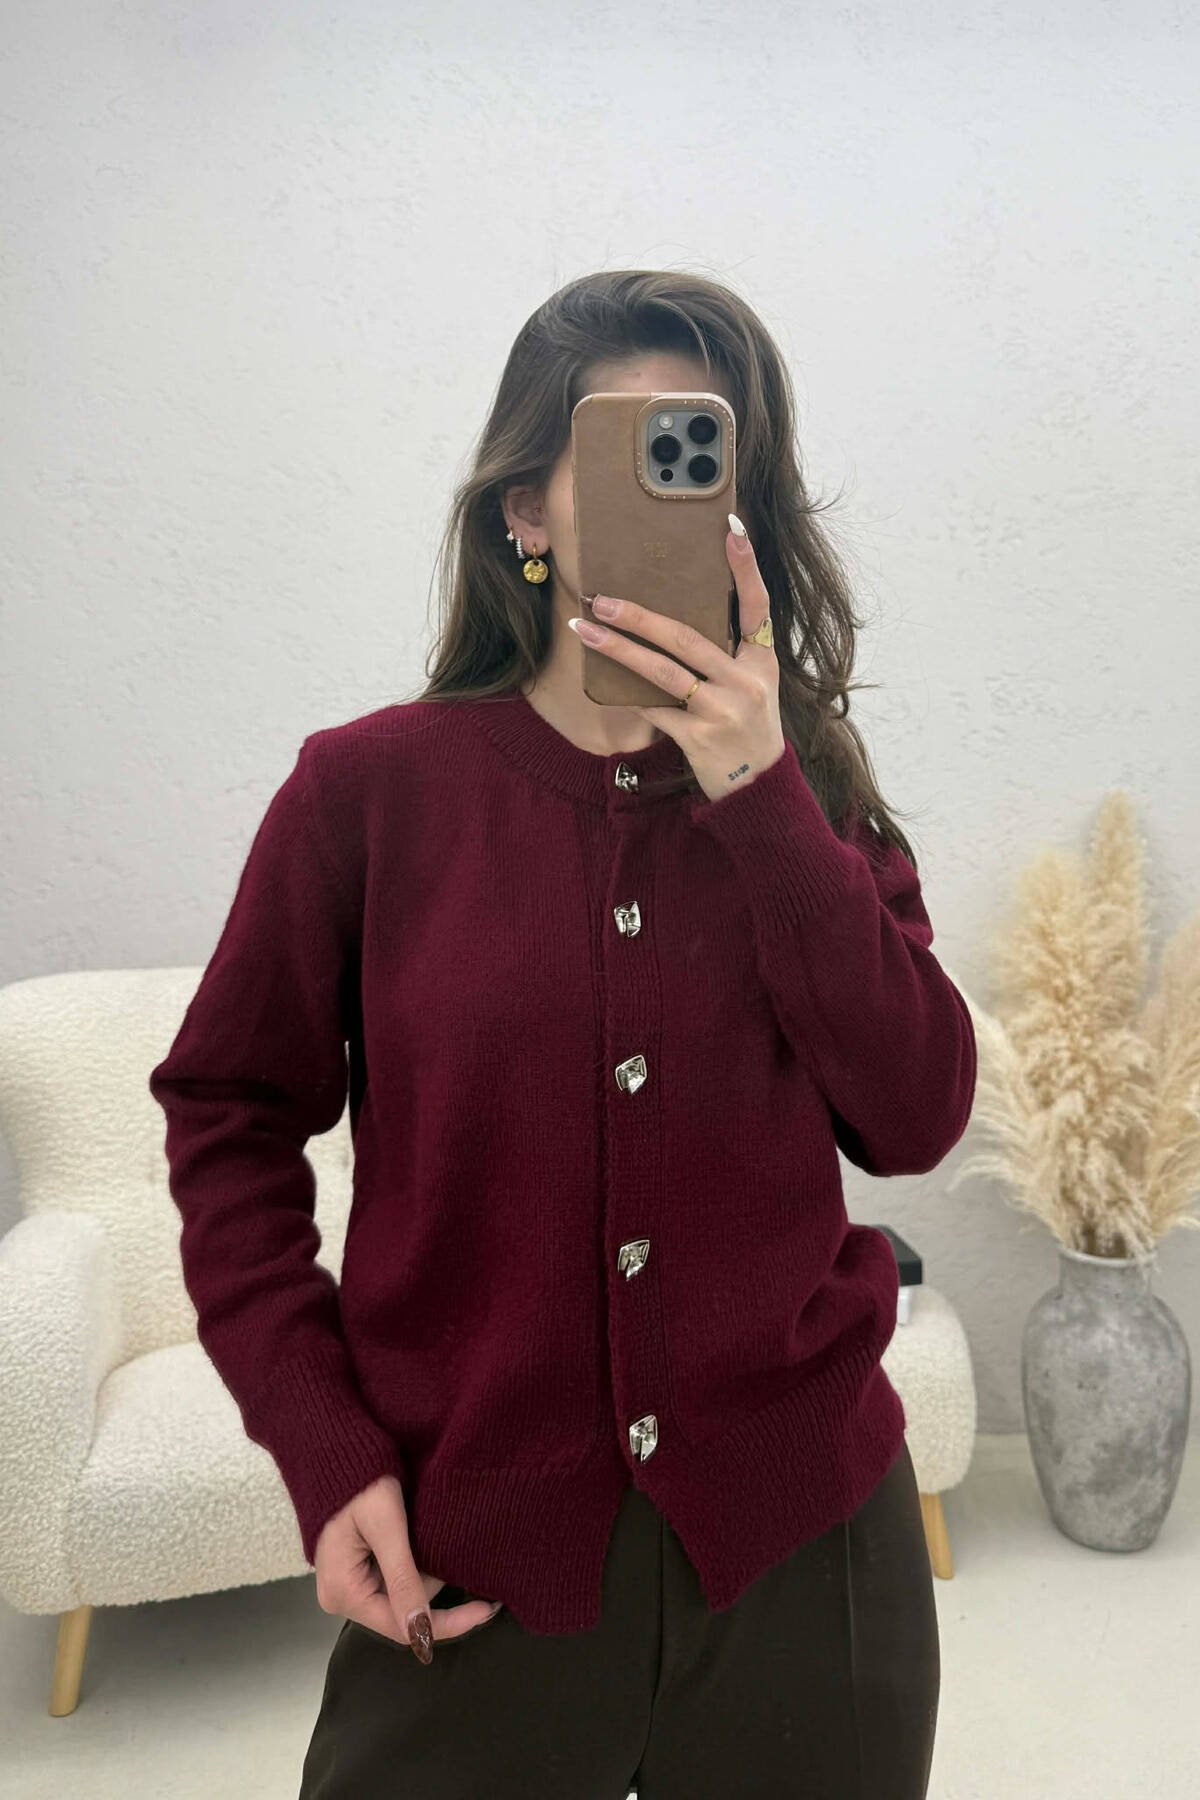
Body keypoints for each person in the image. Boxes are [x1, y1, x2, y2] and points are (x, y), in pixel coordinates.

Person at [149, 268, 975, 1798]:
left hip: (808, 1567)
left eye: (711, 457)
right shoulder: (364, 798)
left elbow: (917, 1116)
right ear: (526, 504)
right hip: (469, 1568)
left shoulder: (810, 798)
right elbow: (226, 1117)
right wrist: (322, 1446)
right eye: (631, 449)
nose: (681, 493)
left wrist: (764, 801)